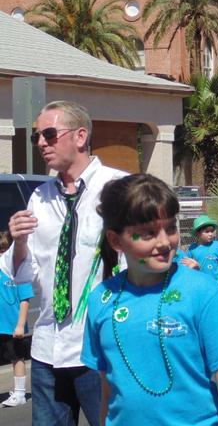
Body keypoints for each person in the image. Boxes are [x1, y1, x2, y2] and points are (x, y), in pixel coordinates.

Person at [82, 174, 218, 425]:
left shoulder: (203, 293)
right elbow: (107, 391)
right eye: (149, 233)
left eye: (171, 228)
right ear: (115, 240)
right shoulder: (101, 299)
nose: (164, 242)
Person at [4, 100, 127, 425]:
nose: (41, 143)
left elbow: (139, 260)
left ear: (80, 136)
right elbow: (24, 273)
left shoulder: (119, 187)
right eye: (36, 137)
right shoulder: (39, 197)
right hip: (48, 348)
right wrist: (17, 243)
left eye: (49, 134)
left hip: (101, 345)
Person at [0, 231, 33, 407]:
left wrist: (20, 324)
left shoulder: (19, 272)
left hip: (12, 325)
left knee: (16, 357)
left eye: (4, 251)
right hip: (0, 325)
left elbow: (25, 299)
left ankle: (20, 393)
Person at [187, 214, 218, 289]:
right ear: (198, 233)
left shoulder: (217, 246)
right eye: (207, 231)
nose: (211, 234)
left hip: (216, 287)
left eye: (212, 231)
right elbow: (186, 266)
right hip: (199, 287)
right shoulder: (192, 248)